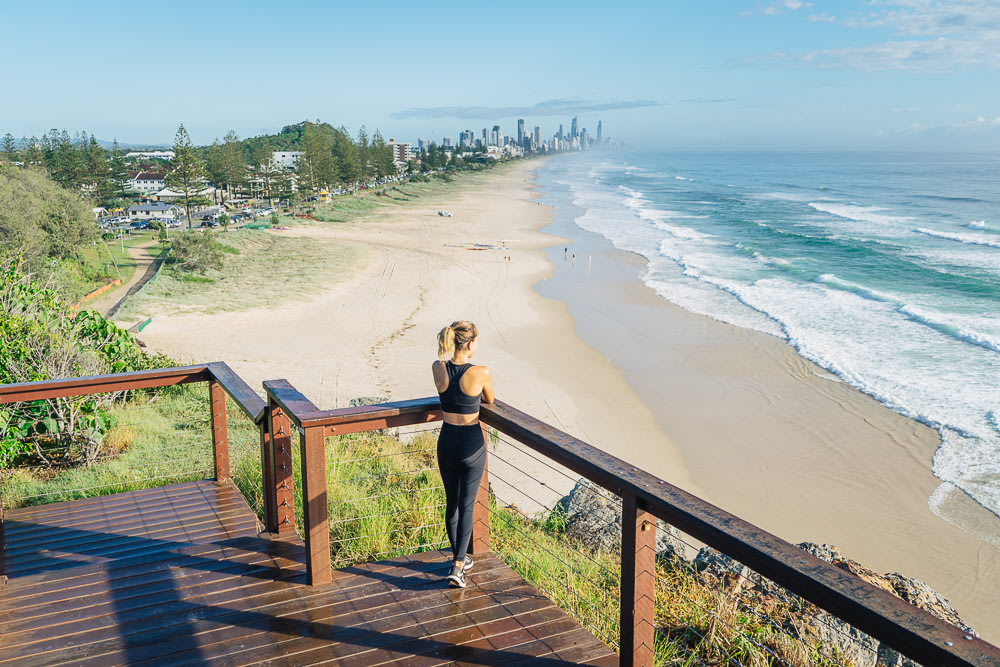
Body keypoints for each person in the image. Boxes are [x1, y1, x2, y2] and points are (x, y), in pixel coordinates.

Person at [432, 320, 495, 588]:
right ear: (470, 345)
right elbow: (490, 400)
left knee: (452, 503)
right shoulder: (481, 372)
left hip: (447, 441)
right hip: (471, 443)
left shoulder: (438, 368)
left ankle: (459, 558)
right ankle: (458, 565)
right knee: (467, 505)